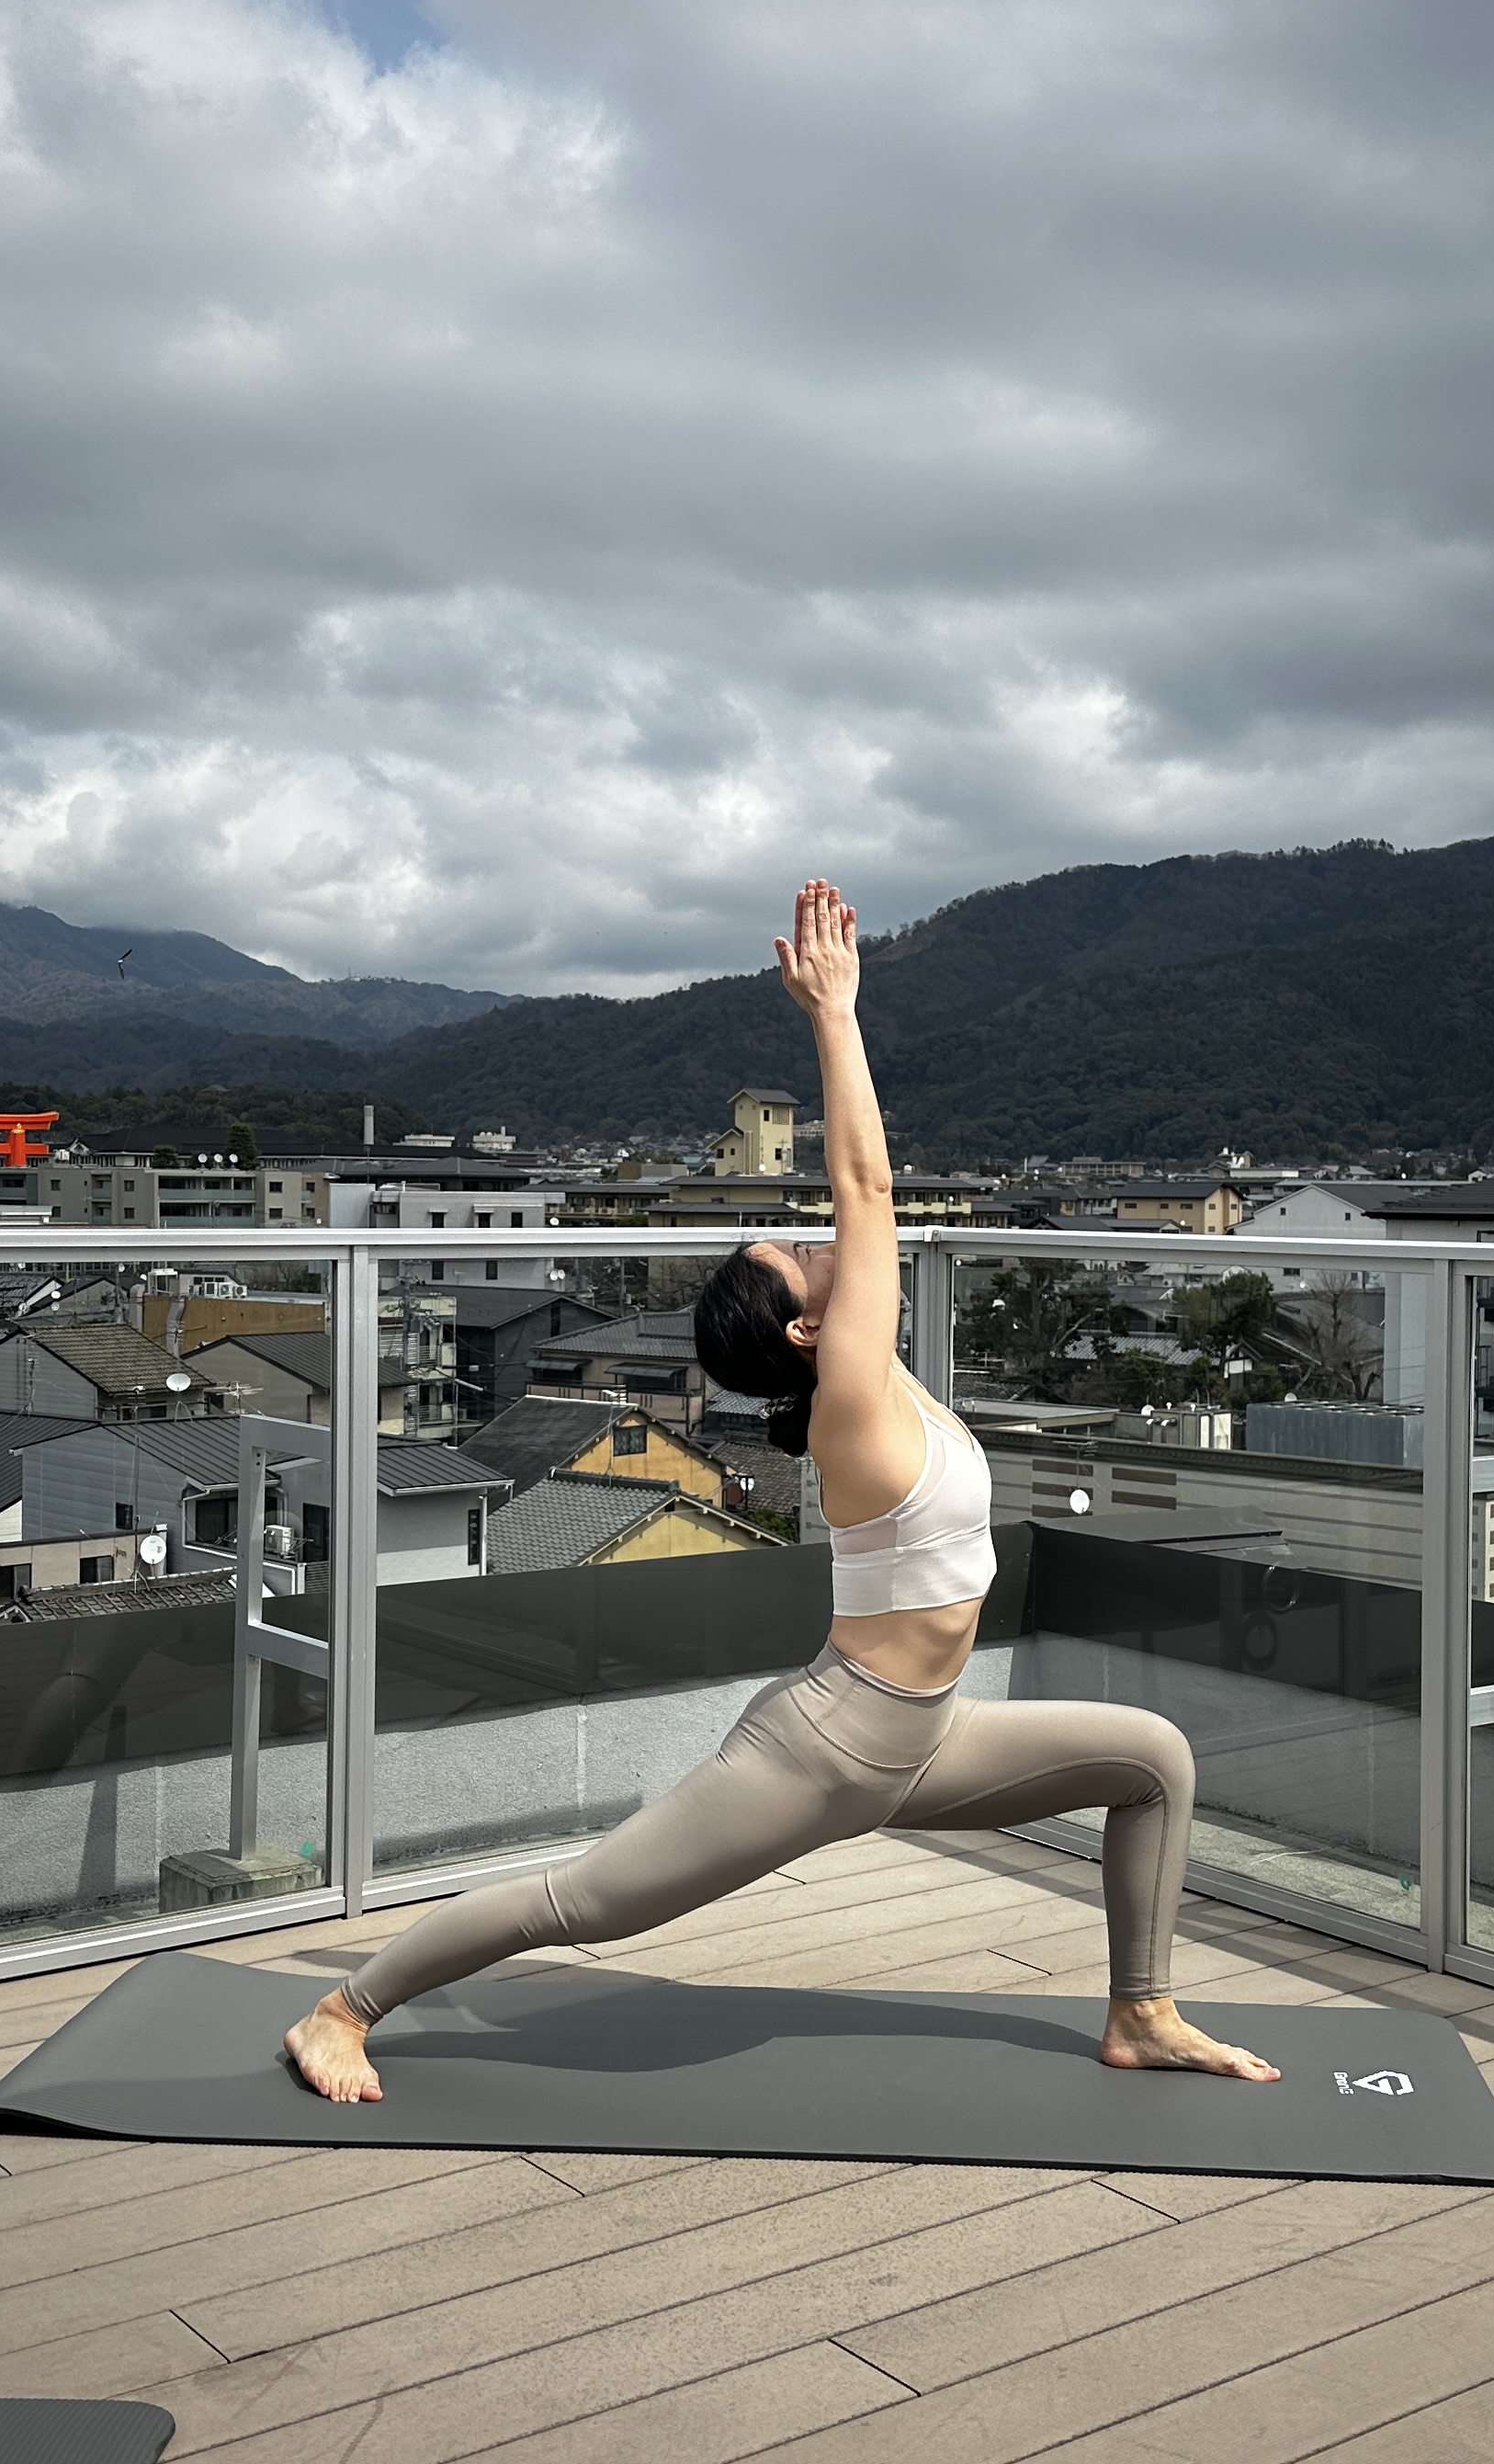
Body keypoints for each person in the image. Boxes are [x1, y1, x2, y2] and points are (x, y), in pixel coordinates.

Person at [284, 879, 1276, 2102]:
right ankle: (343, 2008)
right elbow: (867, 1191)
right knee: (585, 1902)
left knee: (1154, 1761)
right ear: (809, 1334)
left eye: (807, 1240)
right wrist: (835, 1011)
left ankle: (1142, 2011)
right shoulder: (856, 1403)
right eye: (800, 1261)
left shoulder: (881, 1382)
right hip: (827, 1750)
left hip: (931, 1738)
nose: (824, 1246)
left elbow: (862, 1221)